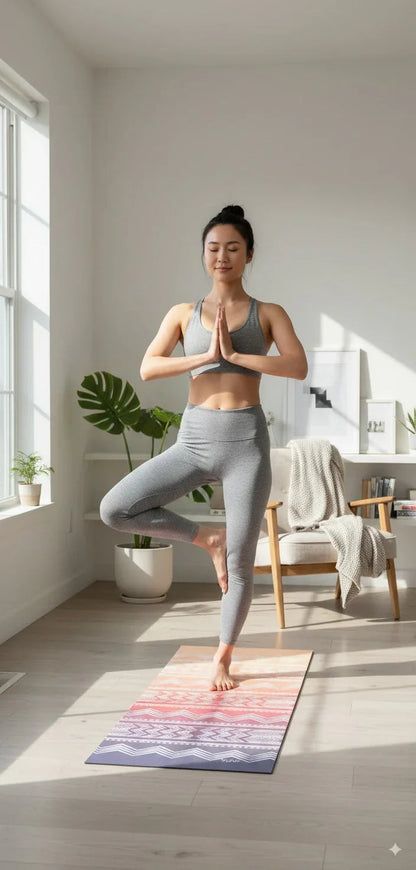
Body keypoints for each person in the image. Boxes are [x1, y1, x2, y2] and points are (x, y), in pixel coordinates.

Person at [100, 205, 307, 691]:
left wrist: (236, 356)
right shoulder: (182, 313)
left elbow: (296, 366)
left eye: (233, 247)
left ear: (249, 254)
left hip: (245, 445)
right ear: (204, 254)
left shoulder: (269, 313)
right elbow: (148, 367)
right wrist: (207, 356)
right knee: (116, 508)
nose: (222, 256)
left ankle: (223, 657)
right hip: (192, 440)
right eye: (213, 248)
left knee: (240, 560)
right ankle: (204, 539)